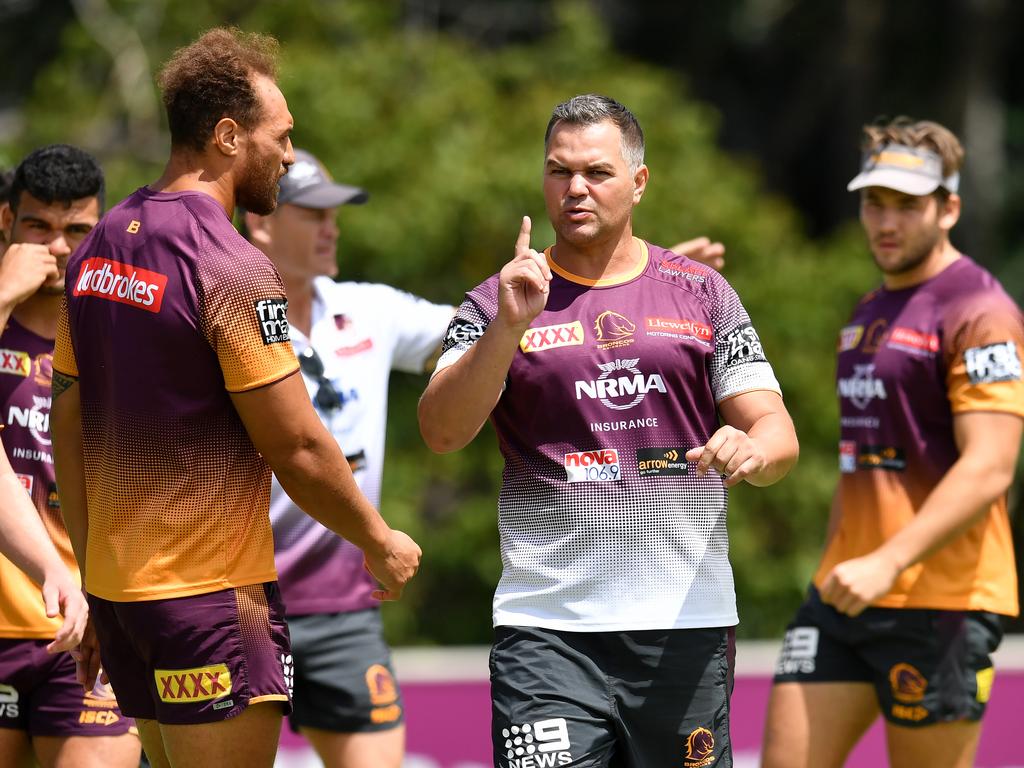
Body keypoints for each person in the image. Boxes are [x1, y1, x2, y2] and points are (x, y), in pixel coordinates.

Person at [49, 28, 421, 768]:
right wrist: (379, 539)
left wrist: (95, 579)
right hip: (212, 600)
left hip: (124, 599)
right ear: (227, 137)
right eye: (281, 137)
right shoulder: (231, 264)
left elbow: (68, 422)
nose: (289, 154)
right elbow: (297, 445)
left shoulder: (100, 245)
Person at [418, 93, 799, 768]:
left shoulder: (703, 292)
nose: (576, 189)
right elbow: (442, 431)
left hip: (685, 626)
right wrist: (508, 327)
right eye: (559, 172)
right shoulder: (496, 299)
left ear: (639, 182)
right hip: (547, 632)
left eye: (596, 172)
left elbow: (777, 432)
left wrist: (751, 449)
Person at [762, 118, 1024, 768]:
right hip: (842, 595)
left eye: (907, 205)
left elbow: (992, 466)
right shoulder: (867, 311)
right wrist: (836, 563)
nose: (886, 220)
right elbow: (861, 461)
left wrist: (889, 561)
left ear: (949, 208)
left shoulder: (981, 310)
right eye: (874, 202)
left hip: (940, 601)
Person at [243, 149, 454, 768]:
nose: (331, 228)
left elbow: (489, 331)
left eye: (336, 214)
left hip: (344, 611)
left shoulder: (370, 310)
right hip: (240, 604)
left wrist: (605, 290)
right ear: (261, 223)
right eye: (313, 214)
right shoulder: (223, 323)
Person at [0, 145, 141, 767]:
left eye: (78, 230)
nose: (58, 248)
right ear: (6, 222)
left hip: (85, 626)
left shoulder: (119, 333)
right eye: (39, 227)